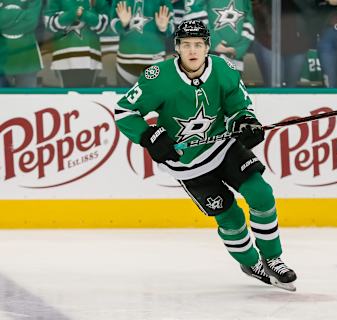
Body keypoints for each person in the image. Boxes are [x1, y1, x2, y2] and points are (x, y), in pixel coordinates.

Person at [114, 20, 297, 291]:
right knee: (230, 216)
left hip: (223, 146)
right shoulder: (158, 77)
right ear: (177, 48)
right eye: (186, 45)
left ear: (207, 47)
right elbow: (124, 112)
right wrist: (150, 137)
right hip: (186, 163)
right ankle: (251, 262)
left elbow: (239, 105)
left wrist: (245, 122)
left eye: (198, 45)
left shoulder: (223, 69)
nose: (192, 50)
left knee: (260, 193)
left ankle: (273, 258)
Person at [44, 0, 109, 87]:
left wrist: (85, 14)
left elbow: (104, 26)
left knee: (87, 97)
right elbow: (49, 24)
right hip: (64, 57)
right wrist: (72, 14)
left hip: (89, 57)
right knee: (68, 96)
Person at [110, 0, 174, 86]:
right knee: (124, 97)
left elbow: (171, 27)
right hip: (125, 61)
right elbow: (112, 25)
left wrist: (164, 28)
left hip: (154, 61)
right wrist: (122, 24)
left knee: (154, 97)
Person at [182, 0, 255, 73]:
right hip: (205, 51)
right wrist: (212, 41)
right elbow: (192, 12)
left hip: (234, 56)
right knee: (205, 82)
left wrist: (239, 48)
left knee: (231, 82)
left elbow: (249, 17)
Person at [0, 0, 43, 87]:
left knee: (27, 99)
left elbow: (32, 21)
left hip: (27, 61)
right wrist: (22, 15)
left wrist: (5, 19)